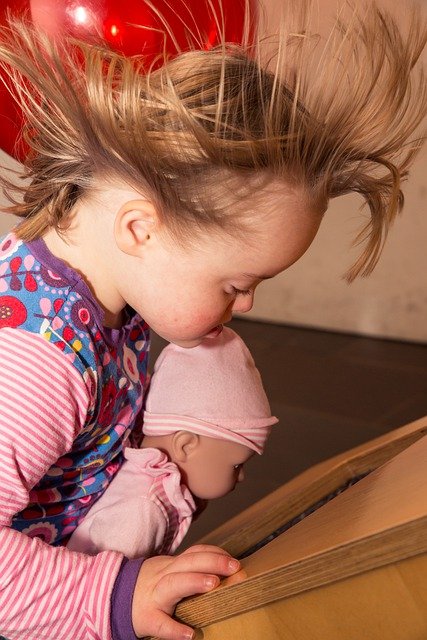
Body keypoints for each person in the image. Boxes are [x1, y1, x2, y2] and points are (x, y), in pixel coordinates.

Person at [0, 2, 425, 639]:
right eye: (237, 283)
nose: (248, 305)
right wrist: (113, 595)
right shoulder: (40, 361)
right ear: (140, 227)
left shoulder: (104, 289)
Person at [67, 327, 278, 558]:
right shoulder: (142, 510)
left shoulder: (160, 486)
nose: (241, 476)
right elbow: (111, 582)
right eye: (236, 466)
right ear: (186, 445)